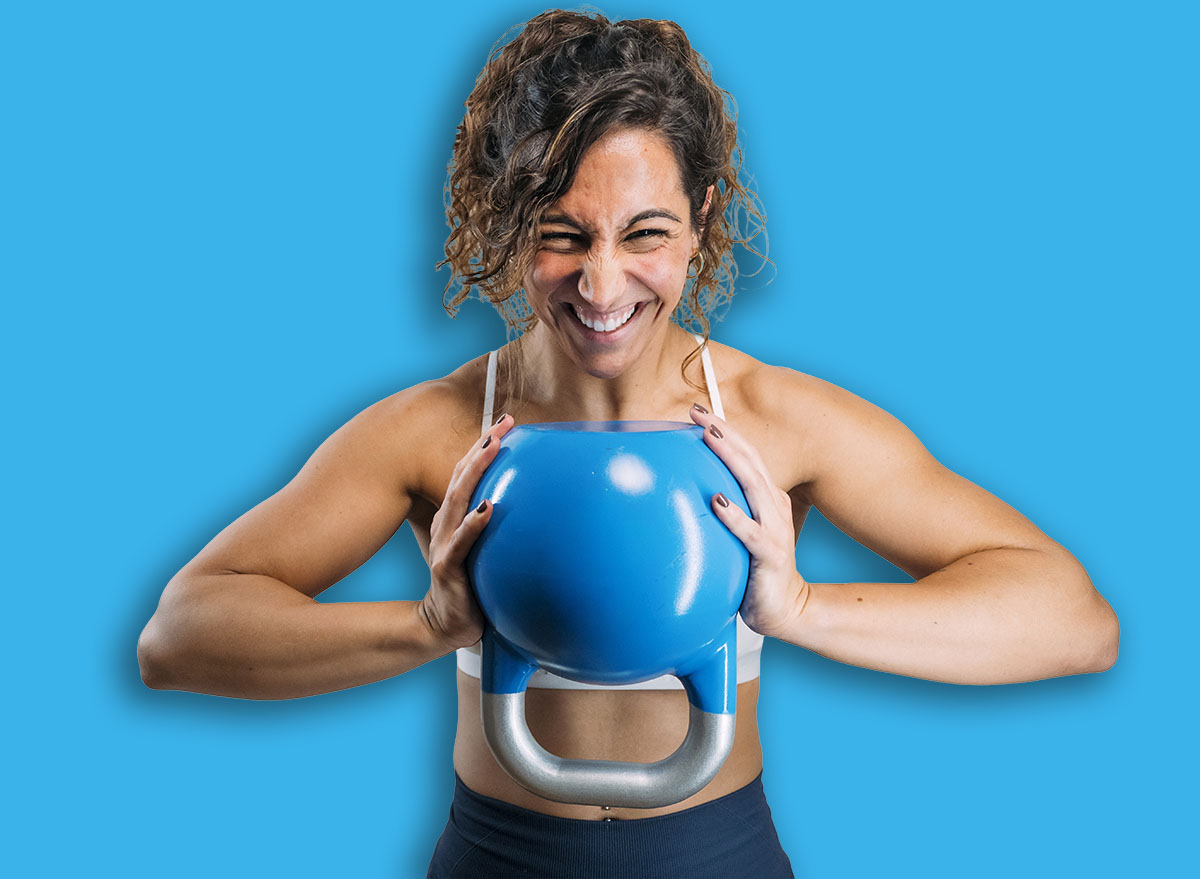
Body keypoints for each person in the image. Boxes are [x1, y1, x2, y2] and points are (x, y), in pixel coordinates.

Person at [136, 9, 1120, 878]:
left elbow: (1074, 622)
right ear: (510, 224)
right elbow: (178, 636)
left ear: (701, 221)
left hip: (715, 854)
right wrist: (426, 627)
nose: (601, 288)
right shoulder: (436, 428)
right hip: (497, 856)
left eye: (643, 233)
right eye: (562, 234)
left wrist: (803, 607)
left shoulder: (779, 423)